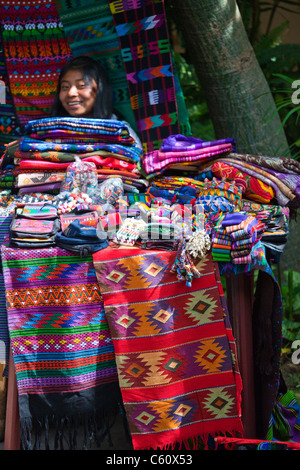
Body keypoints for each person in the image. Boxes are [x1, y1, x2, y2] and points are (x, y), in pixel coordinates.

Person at [50, 55, 115, 119]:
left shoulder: (118, 128)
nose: (71, 93)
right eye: (65, 87)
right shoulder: (51, 127)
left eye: (81, 85)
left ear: (99, 89)